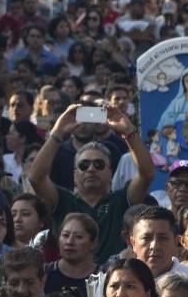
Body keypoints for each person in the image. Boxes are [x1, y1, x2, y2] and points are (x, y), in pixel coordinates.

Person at [29, 104, 155, 264]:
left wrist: (129, 132)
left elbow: (147, 174)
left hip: (112, 282)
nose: (91, 169)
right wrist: (57, 133)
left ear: (110, 172)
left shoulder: (121, 201)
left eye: (99, 164)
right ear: (74, 174)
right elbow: (35, 178)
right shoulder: (63, 201)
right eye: (84, 165)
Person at [44, 212, 99, 297]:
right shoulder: (44, 273)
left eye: (78, 237)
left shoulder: (103, 278)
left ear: (93, 243)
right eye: (65, 235)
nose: (69, 242)